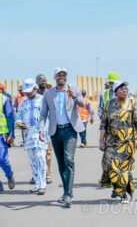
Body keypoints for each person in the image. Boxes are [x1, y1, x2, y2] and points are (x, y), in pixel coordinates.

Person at [39, 67, 85, 208]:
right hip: (55, 131)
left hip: (70, 130)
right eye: (59, 75)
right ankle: (66, 192)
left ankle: (69, 195)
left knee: (68, 160)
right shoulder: (48, 93)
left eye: (64, 75)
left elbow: (83, 104)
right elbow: (43, 114)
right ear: (55, 77)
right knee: (61, 164)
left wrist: (75, 97)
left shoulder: (74, 89)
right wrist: (41, 129)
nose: (62, 77)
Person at [99, 80, 137, 203]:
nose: (125, 90)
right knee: (109, 165)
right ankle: (117, 188)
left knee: (123, 170)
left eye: (126, 88)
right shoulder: (109, 104)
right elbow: (104, 123)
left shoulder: (132, 103)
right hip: (111, 142)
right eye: (121, 88)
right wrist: (101, 141)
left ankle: (123, 194)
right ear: (116, 91)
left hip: (127, 143)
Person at [16, 79, 49, 195]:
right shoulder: (24, 102)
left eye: (30, 91)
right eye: (26, 92)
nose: (28, 93)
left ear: (35, 89)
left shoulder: (43, 100)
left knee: (40, 158)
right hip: (28, 136)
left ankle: (42, 185)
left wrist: (44, 131)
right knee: (33, 161)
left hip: (40, 134)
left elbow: (48, 117)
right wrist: (18, 123)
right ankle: (37, 184)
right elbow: (18, 117)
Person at [98, 72, 120, 187]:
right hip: (108, 129)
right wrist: (103, 118)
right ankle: (108, 176)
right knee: (107, 155)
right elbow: (100, 109)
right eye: (110, 83)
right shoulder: (104, 94)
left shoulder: (124, 94)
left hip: (122, 131)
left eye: (113, 83)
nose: (111, 85)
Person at [32, 74, 53, 185]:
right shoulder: (33, 93)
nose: (42, 82)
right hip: (35, 128)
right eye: (40, 81)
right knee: (35, 153)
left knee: (47, 152)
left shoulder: (48, 94)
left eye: (44, 80)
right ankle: (37, 173)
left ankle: (47, 174)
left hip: (47, 127)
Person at [0, 84, 15, 192]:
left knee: (2, 160)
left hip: (1, 135)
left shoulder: (4, 99)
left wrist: (12, 133)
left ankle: (9, 175)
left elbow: (10, 117)